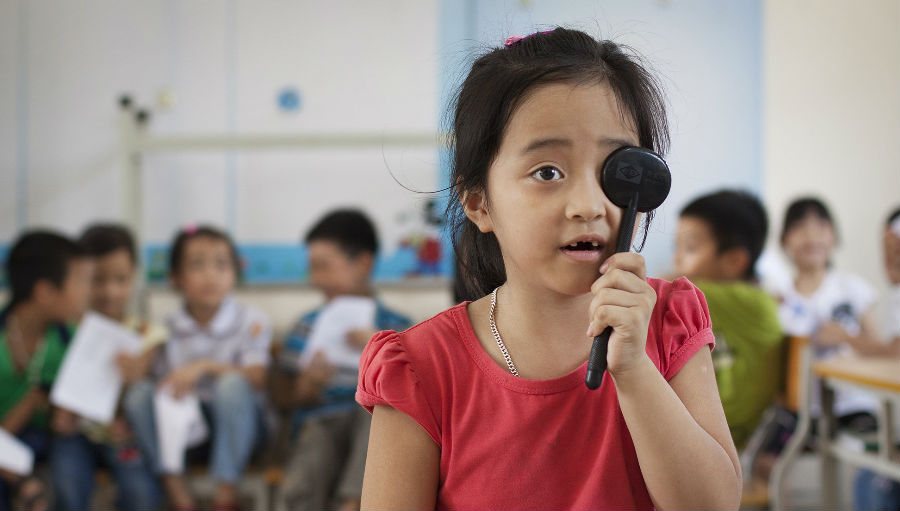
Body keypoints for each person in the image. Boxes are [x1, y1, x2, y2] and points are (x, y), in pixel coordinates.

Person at [356, 28, 741, 509]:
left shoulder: (668, 321)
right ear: (478, 203)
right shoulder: (421, 369)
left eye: (614, 168)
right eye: (547, 172)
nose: (588, 204)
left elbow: (713, 504)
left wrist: (636, 370)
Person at [124, 225, 272, 510]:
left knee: (231, 385)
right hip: (187, 433)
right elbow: (156, 391)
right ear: (175, 278)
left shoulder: (250, 320)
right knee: (139, 394)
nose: (210, 275)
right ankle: (177, 492)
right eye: (197, 265)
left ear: (235, 272)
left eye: (221, 264)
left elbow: (257, 377)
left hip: (243, 430)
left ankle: (225, 497)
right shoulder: (164, 328)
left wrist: (203, 367)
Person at [276, 210, 412, 511]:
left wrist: (384, 350)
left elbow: (418, 394)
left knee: (374, 414)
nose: (316, 279)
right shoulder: (307, 326)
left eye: (324, 266)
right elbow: (279, 396)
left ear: (363, 263)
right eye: (312, 268)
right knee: (317, 443)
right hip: (320, 421)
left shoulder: (400, 329)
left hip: (375, 429)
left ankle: (352, 503)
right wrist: (304, 387)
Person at [50, 224, 163, 511]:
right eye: (97, 280)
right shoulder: (65, 332)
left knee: (141, 493)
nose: (109, 291)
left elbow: (151, 398)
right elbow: (49, 388)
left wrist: (134, 379)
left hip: (124, 437)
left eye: (121, 279)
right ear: (79, 278)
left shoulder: (146, 334)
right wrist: (59, 414)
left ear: (134, 276)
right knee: (66, 481)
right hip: (75, 434)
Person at [672, 190, 783, 449]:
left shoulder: (752, 302)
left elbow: (665, 288)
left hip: (722, 434)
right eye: (675, 247)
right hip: (705, 425)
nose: (676, 258)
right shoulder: (731, 301)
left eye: (689, 248)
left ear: (734, 260)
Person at [0, 231, 91, 511]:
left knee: (70, 469)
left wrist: (70, 415)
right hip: (7, 443)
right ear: (44, 292)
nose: (88, 292)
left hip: (47, 441)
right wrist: (32, 400)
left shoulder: (72, 339)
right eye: (80, 281)